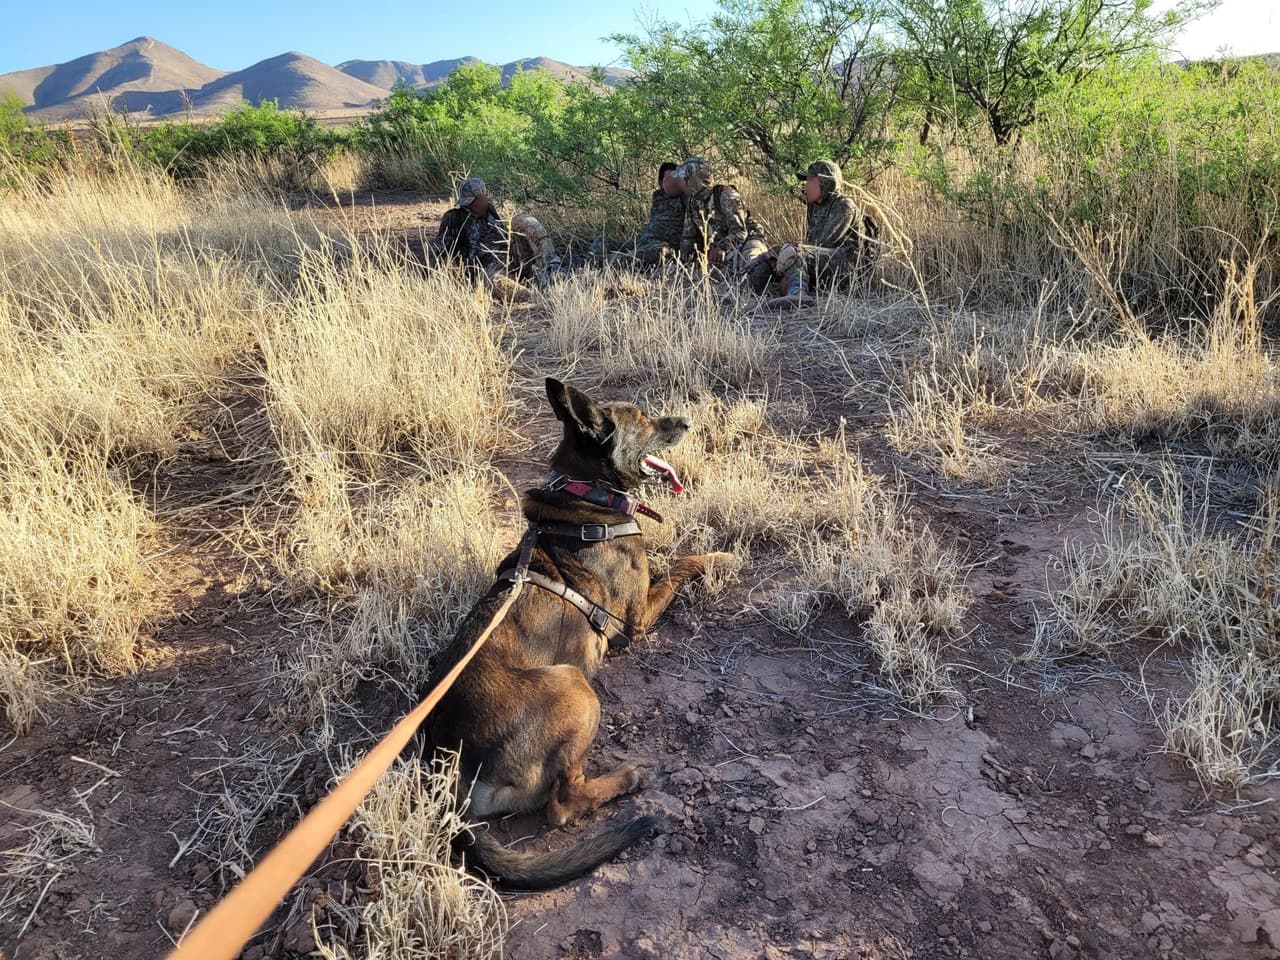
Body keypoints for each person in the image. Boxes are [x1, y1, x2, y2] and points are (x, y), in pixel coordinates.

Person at [746, 160, 878, 306]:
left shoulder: (844, 206)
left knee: (795, 253)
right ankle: (746, 294)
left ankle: (798, 294)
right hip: (820, 261)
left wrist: (787, 253)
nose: (805, 187)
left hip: (846, 268)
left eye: (809, 181)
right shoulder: (814, 207)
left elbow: (821, 243)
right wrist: (776, 255)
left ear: (825, 182)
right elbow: (811, 246)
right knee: (766, 260)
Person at [434, 177, 565, 292]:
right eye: (468, 202)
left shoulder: (490, 210)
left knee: (524, 220)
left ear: (483, 198)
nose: (469, 205)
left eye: (474, 201)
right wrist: (430, 276)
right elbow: (440, 250)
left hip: (512, 259)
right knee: (499, 283)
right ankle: (532, 296)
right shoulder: (454, 217)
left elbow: (506, 234)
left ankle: (552, 268)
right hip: (486, 269)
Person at [685, 183, 769, 278]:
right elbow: (688, 237)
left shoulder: (726, 194)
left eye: (684, 179)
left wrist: (722, 247)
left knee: (754, 264)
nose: (681, 183)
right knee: (708, 276)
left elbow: (740, 232)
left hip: (748, 240)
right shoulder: (693, 202)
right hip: (725, 252)